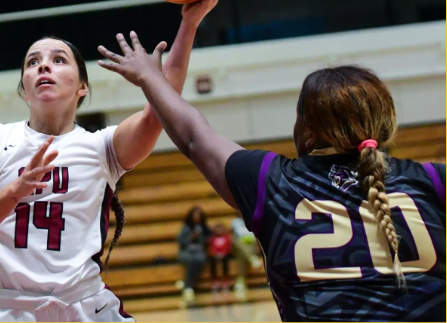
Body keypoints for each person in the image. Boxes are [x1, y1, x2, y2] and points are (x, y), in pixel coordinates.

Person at [0, 0, 232, 323]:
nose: (44, 68)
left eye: (58, 61)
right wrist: (14, 192)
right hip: (10, 309)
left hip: (85, 305)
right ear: (24, 88)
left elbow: (158, 112)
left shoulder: (101, 147)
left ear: (82, 87)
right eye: (33, 62)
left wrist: (190, 24)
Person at [97, 40, 446, 321]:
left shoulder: (272, 181)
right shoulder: (434, 181)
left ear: (308, 132)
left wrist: (149, 77)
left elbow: (192, 135)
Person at [175, 206, 210, 305]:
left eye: (199, 215)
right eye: (195, 215)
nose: (196, 217)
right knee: (191, 259)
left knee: (200, 259)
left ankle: (186, 284)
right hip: (186, 252)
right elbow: (181, 242)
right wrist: (191, 237)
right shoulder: (186, 227)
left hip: (199, 252)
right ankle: (188, 287)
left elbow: (208, 240)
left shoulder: (204, 228)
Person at [230, 214, 261, 298]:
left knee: (241, 256)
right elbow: (232, 236)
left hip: (252, 245)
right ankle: (252, 259)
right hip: (240, 245)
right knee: (237, 242)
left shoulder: (254, 219)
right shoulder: (234, 222)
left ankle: (240, 281)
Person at [207, 223, 232, 292]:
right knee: (212, 263)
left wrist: (223, 253)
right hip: (215, 255)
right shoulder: (212, 239)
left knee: (225, 263)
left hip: (224, 255)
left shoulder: (226, 238)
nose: (219, 231)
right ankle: (215, 281)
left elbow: (228, 247)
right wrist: (215, 254)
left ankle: (225, 280)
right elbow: (211, 248)